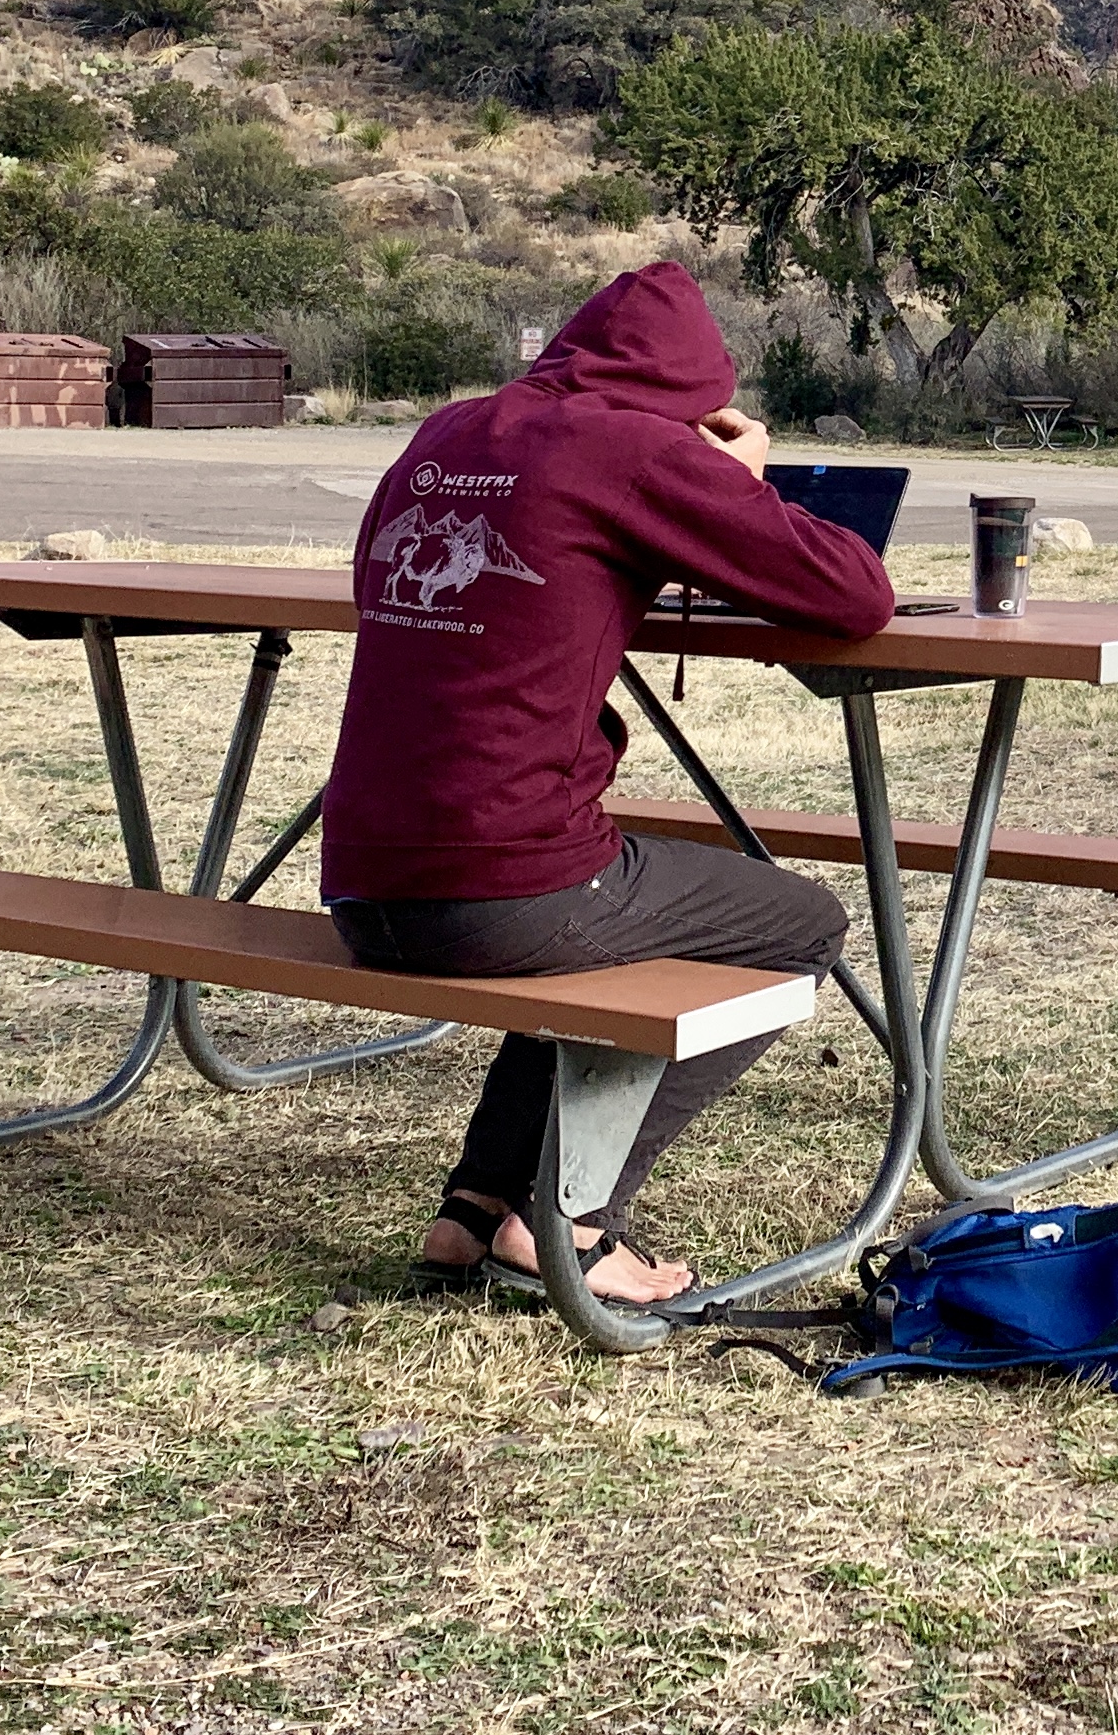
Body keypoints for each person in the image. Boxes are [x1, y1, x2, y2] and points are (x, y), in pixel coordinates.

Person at [322, 262, 894, 1305]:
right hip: (498, 895)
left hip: (363, 882)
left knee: (596, 929)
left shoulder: (451, 430)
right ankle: (573, 1226)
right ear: (694, 396)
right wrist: (741, 483)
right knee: (797, 922)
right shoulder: (633, 450)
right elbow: (854, 593)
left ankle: (472, 1213)